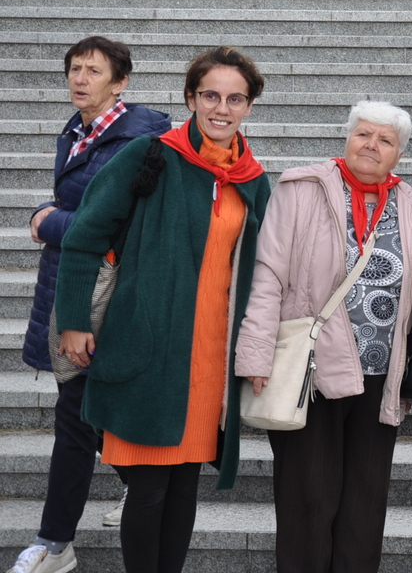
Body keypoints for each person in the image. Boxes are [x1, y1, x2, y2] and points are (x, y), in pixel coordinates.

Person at [53, 46, 270, 573]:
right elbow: (84, 237)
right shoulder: (150, 154)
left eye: (235, 99)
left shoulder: (253, 179)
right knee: (149, 488)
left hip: (209, 358)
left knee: (183, 487)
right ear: (191, 98)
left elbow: (262, 271)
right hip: (146, 347)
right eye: (210, 95)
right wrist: (74, 321)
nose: (221, 108)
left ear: (249, 106)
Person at [235, 101, 412, 573]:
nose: (371, 146)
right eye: (363, 134)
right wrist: (255, 352)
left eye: (385, 140)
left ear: (399, 153)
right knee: (308, 499)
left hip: (379, 374)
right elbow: (267, 274)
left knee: (365, 504)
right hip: (311, 371)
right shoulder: (302, 188)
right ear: (347, 137)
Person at [9, 38, 169, 573]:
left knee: (76, 419)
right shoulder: (79, 129)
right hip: (71, 286)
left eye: (93, 71)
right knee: (80, 414)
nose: (80, 78)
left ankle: (56, 542)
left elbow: (123, 226)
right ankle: (133, 488)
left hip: (107, 297)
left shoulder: (141, 141)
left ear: (120, 82)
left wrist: (48, 221)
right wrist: (52, 214)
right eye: (74, 68)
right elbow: (81, 208)